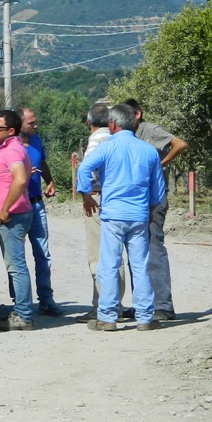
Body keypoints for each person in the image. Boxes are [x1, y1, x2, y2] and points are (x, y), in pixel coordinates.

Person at [75, 103, 167, 331]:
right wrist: (151, 210)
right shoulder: (148, 151)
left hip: (113, 215)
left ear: (113, 124)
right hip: (139, 215)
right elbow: (158, 188)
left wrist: (86, 195)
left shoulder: (106, 148)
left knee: (109, 265)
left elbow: (84, 169)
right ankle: (145, 317)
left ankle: (107, 317)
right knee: (140, 266)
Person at [123, 98, 187, 320]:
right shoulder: (129, 135)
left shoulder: (151, 130)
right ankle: (143, 304)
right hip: (137, 200)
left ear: (137, 115)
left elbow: (180, 144)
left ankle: (163, 306)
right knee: (136, 253)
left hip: (154, 199)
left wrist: (161, 163)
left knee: (153, 250)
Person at [0, 110, 35, 331]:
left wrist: (5, 209)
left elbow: (21, 178)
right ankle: (22, 310)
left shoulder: (12, 150)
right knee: (15, 265)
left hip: (12, 216)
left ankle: (24, 314)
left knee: (16, 266)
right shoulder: (10, 149)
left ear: (11, 131)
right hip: (14, 213)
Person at [82, 102, 127, 319]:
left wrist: (85, 194)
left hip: (99, 199)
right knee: (116, 256)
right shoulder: (119, 137)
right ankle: (116, 304)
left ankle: (102, 306)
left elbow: (87, 171)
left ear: (89, 122)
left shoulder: (97, 139)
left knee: (98, 256)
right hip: (122, 201)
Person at [16, 107, 63, 316]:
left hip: (36, 203)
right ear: (18, 124)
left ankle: (46, 298)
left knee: (42, 254)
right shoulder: (9, 146)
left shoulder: (36, 141)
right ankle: (19, 301)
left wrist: (49, 180)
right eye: (31, 123)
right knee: (16, 257)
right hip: (17, 206)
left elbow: (42, 161)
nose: (35, 126)